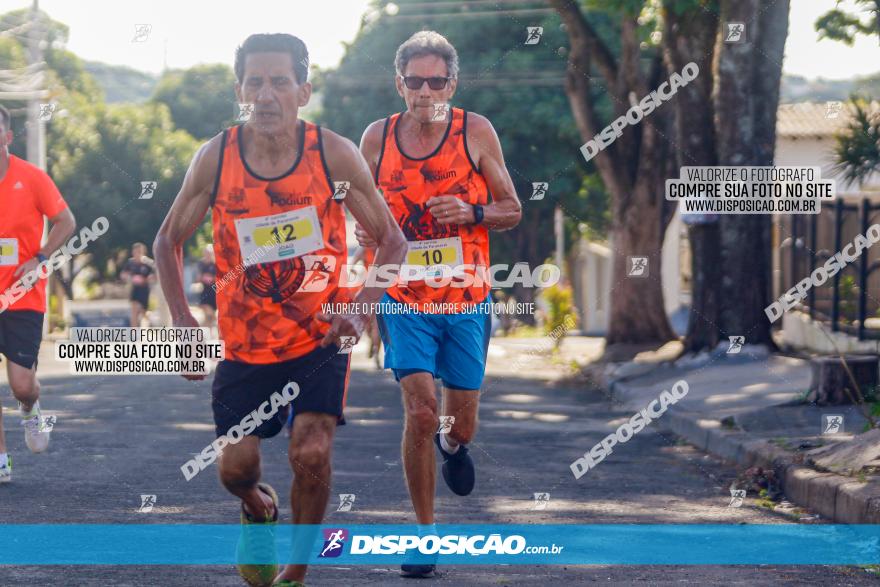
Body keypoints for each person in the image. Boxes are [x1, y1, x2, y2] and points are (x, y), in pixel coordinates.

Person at [153, 33, 405, 587]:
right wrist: (182, 322)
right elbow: (166, 241)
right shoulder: (215, 158)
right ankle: (256, 506)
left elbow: (392, 241)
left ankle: (294, 574)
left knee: (311, 452)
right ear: (239, 90)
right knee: (234, 469)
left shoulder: (333, 154)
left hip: (320, 339)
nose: (265, 94)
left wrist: (360, 309)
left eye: (279, 81)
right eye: (254, 82)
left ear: (304, 90)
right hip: (245, 347)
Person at [356, 31, 522, 577]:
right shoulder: (375, 140)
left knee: (458, 420)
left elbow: (511, 208)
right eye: (414, 80)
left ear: (452, 82)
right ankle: (425, 535)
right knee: (421, 410)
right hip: (404, 300)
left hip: (467, 297)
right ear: (398, 83)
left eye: (436, 80)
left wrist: (473, 213)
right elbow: (360, 223)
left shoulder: (475, 131)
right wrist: (367, 292)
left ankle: (456, 447)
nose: (425, 91)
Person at [0, 103, 76, 483]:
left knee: (21, 384)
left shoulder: (31, 178)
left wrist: (40, 257)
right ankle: (1, 460)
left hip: (22, 295)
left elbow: (66, 220)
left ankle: (30, 409)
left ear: (7, 136)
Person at [120, 242, 155, 327]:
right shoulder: (130, 263)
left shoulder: (148, 263)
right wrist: (130, 278)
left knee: (143, 312)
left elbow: (155, 275)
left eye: (139, 251)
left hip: (144, 290)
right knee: (134, 311)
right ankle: (134, 334)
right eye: (136, 251)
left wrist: (145, 279)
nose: (137, 253)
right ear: (133, 252)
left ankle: (152, 323)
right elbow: (123, 274)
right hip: (134, 289)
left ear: (143, 252)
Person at [196, 244, 217, 332]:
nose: (207, 255)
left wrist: (212, 279)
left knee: (210, 316)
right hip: (205, 291)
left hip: (215, 291)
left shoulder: (215, 263)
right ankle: (208, 330)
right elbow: (197, 278)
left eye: (209, 253)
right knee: (207, 312)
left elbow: (222, 277)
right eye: (205, 253)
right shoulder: (201, 264)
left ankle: (209, 330)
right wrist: (203, 278)